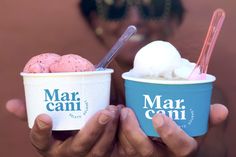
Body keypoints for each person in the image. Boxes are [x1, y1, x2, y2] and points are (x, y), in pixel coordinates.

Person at [6, 0, 228, 157]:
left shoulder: (200, 94)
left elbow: (216, 150)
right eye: (114, 8)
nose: (135, 19)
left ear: (172, 20)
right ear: (96, 23)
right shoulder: (83, 90)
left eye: (155, 6)